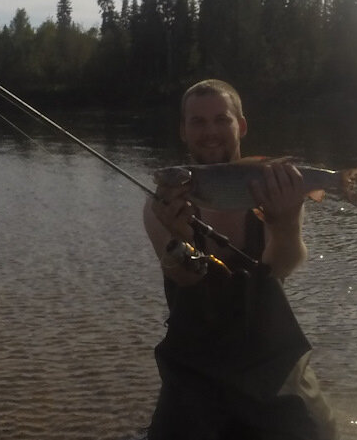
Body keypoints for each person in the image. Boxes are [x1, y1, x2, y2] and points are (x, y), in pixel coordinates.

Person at [143, 79, 337, 439]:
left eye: (221, 119)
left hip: (271, 355)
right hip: (194, 361)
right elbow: (186, 279)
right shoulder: (161, 207)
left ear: (241, 125)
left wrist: (285, 223)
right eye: (197, 122)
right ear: (183, 131)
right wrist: (180, 240)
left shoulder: (271, 187)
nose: (210, 131)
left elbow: (280, 268)